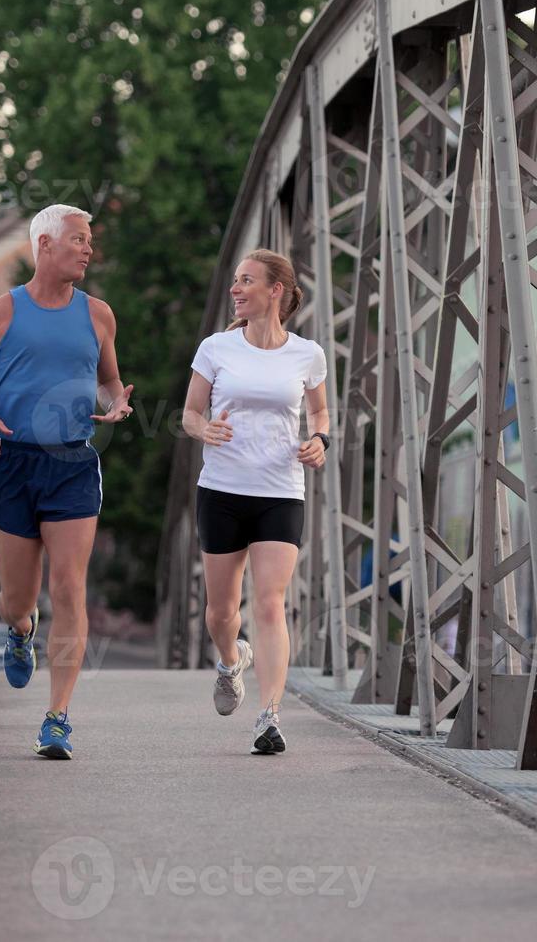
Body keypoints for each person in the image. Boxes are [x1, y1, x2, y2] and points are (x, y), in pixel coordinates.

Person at [0, 203, 133, 760]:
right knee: (17, 598)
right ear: (44, 246)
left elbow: (109, 381)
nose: (86, 248)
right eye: (77, 239)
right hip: (11, 462)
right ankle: (19, 630)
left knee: (69, 589)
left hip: (72, 465)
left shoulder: (98, 314)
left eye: (88, 240)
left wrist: (117, 403)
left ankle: (57, 717)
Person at [183, 248, 329, 754]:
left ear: (276, 291)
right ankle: (230, 662)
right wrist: (206, 428)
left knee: (270, 603)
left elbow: (321, 412)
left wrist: (320, 440)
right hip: (222, 491)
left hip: (280, 492)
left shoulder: (307, 354)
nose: (236, 289)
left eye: (247, 280)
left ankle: (269, 716)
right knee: (222, 613)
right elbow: (190, 415)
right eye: (235, 280)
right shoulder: (216, 348)